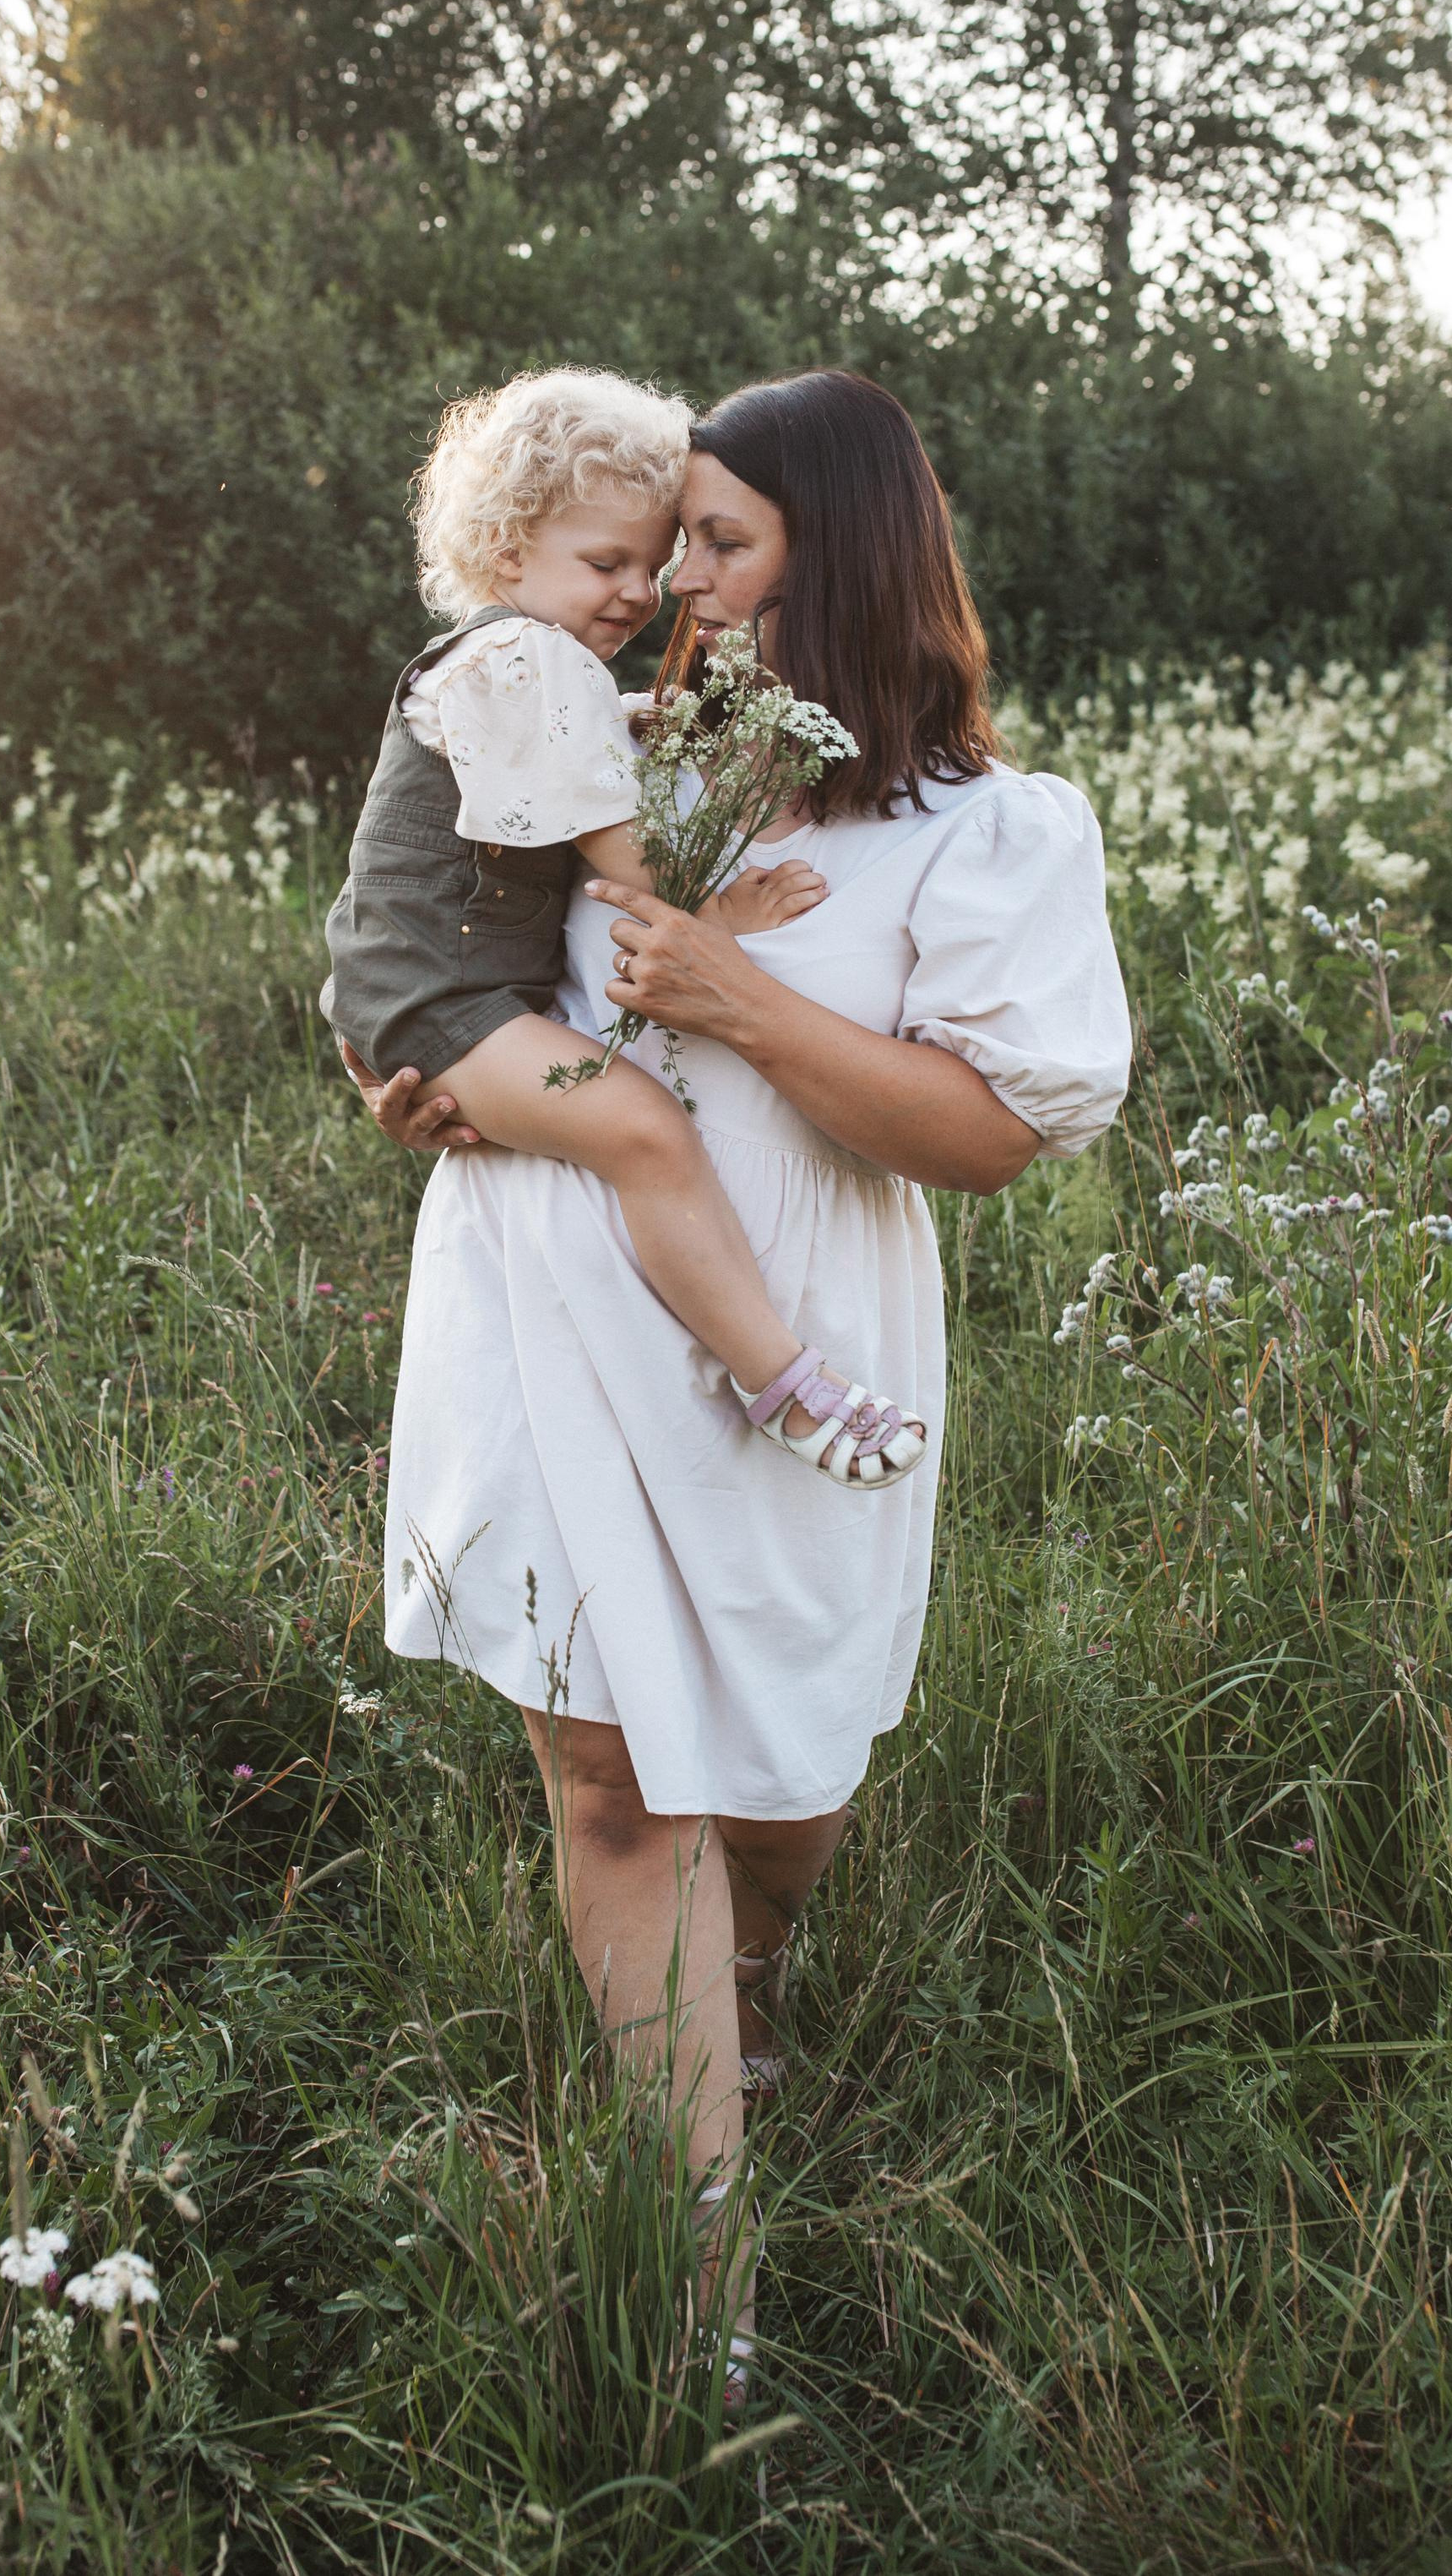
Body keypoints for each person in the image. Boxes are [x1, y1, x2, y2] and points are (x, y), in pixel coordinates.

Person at [345, 369, 1133, 2410]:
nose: (680, 585)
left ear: (841, 554)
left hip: (795, 1351)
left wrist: (736, 994)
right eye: (668, 540)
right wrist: (413, 1077)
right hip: (542, 1318)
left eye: (723, 540)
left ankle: (747, 1988)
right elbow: (453, 952)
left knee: (781, 1793)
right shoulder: (604, 747)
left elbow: (986, 1138)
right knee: (610, 1781)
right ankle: (689, 2282)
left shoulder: (991, 827)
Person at [324, 367, 926, 1493]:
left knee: (631, 1130)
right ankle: (782, 1383)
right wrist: (726, 916)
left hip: (428, 982)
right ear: (506, 552)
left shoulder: (537, 665)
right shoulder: (523, 660)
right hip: (441, 996)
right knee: (644, 1132)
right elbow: (625, 863)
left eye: (655, 564)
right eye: (608, 564)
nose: (646, 593)